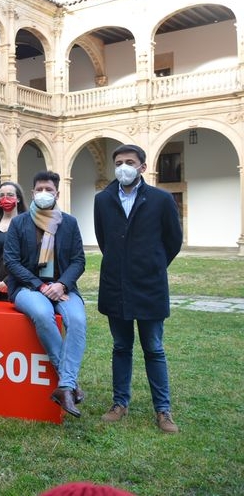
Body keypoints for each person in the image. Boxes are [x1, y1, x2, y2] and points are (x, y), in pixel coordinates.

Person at [94, 144, 183, 433]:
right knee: (121, 347)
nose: (123, 167)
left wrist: (152, 264)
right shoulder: (103, 199)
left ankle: (163, 410)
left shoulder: (161, 199)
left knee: (154, 348)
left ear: (143, 167)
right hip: (115, 285)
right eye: (118, 162)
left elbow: (173, 241)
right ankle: (120, 403)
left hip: (149, 285)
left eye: (129, 162)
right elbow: (103, 239)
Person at [4, 170, 87, 418]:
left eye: (48, 190)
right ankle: (68, 382)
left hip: (63, 287)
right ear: (32, 193)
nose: (43, 194)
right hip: (27, 287)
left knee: (78, 321)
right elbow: (11, 261)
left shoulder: (69, 223)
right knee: (42, 313)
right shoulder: (19, 223)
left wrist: (61, 285)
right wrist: (40, 286)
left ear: (57, 193)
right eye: (39, 189)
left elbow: (78, 260)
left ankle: (63, 387)